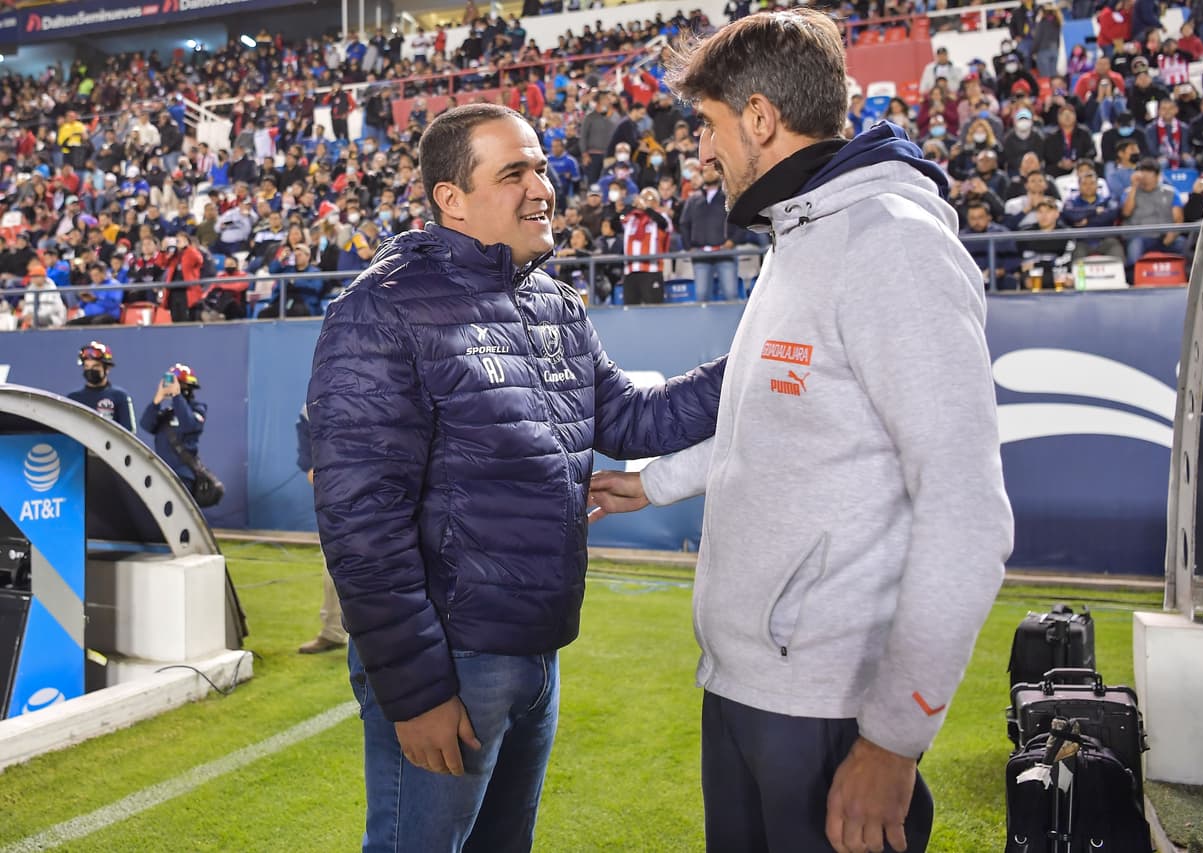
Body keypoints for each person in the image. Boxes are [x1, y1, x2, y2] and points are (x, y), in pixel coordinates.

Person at [589, 10, 1013, 853]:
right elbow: (778, 423)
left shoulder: (891, 247)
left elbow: (967, 516)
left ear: (758, 118)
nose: (700, 153)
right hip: (747, 687)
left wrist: (894, 738)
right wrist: (652, 482)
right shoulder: (799, 236)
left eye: (708, 126)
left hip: (828, 709)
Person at [307, 102, 724, 852]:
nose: (543, 185)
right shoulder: (381, 309)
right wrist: (417, 688)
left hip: (538, 655)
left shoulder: (553, 302)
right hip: (451, 663)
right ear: (451, 199)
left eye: (540, 165)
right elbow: (360, 518)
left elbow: (630, 420)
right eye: (514, 172)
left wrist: (758, 358)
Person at [295, 402, 347, 655]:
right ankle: (333, 631)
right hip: (340, 495)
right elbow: (308, 462)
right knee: (333, 562)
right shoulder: (310, 406)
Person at [140, 364, 207, 497]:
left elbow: (188, 425)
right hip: (161, 475)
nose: (174, 387)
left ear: (189, 387)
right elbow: (146, 425)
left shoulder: (198, 408)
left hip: (183, 475)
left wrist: (177, 396)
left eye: (179, 384)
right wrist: (157, 400)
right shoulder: (168, 413)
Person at [680, 163, 738, 302]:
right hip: (701, 254)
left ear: (719, 173)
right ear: (701, 174)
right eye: (705, 171)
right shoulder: (693, 199)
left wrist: (733, 240)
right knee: (701, 296)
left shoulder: (728, 196)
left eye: (713, 170)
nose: (709, 173)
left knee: (731, 294)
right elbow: (684, 224)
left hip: (724, 252)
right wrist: (689, 246)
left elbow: (739, 220)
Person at [68, 341, 136, 433]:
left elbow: (129, 434)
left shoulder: (120, 396)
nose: (90, 370)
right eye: (86, 366)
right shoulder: (73, 399)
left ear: (107, 369)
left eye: (95, 366)